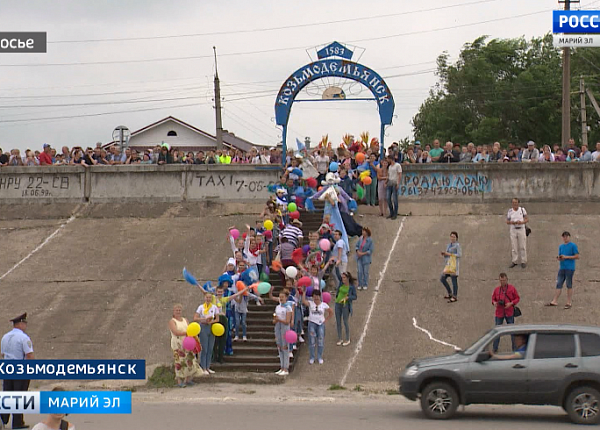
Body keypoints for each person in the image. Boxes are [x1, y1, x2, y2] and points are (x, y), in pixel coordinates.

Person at [1, 313, 34, 430]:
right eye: (24, 323)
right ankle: (17, 422)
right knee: (20, 395)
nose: (25, 325)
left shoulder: (5, 337)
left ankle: (2, 419)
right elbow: (29, 355)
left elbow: (2, 354)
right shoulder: (24, 338)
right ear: (20, 324)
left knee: (8, 394)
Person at [168, 304, 201, 387]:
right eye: (176, 310)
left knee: (190, 359)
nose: (178, 312)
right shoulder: (172, 321)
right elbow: (175, 332)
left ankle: (188, 379)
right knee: (179, 362)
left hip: (188, 342)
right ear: (173, 311)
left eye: (179, 310)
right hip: (178, 343)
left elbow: (190, 328)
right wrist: (187, 333)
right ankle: (179, 381)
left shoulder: (185, 320)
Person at [546, 231, 580, 309]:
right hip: (562, 267)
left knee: (569, 284)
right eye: (564, 237)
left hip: (570, 268)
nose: (565, 238)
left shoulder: (573, 246)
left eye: (566, 236)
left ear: (569, 237)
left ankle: (569, 302)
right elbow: (561, 256)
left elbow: (577, 256)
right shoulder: (561, 246)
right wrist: (560, 258)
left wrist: (566, 257)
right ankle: (554, 301)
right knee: (559, 284)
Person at [301, 289, 333, 365]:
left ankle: (319, 357)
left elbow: (331, 312)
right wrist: (304, 292)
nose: (316, 298)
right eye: (314, 296)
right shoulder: (310, 303)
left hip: (320, 324)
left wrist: (326, 319)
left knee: (320, 340)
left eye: (317, 296)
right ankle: (312, 357)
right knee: (312, 341)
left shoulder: (324, 305)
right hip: (312, 323)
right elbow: (303, 301)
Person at [491, 274, 520, 352]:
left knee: (512, 332)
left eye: (503, 280)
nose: (502, 282)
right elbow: (493, 299)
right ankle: (495, 348)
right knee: (497, 331)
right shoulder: (497, 290)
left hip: (509, 312)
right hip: (499, 313)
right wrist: (494, 303)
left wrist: (511, 303)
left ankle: (515, 348)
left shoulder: (511, 288)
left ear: (507, 280)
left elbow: (517, 298)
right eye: (501, 280)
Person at [193, 293, 220, 375]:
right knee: (204, 348)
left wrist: (211, 321)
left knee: (210, 348)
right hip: (203, 326)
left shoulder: (214, 307)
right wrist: (204, 319)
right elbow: (195, 318)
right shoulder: (201, 307)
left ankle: (208, 366)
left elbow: (217, 319)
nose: (208, 299)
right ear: (204, 298)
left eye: (209, 298)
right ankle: (203, 367)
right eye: (207, 297)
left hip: (211, 327)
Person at [334, 271, 357, 347]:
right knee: (338, 321)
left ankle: (347, 338)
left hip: (345, 305)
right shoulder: (341, 283)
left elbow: (355, 296)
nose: (342, 279)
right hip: (338, 304)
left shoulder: (351, 287)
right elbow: (337, 274)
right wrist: (336, 266)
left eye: (344, 277)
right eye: (342, 277)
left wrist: (348, 297)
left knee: (345, 321)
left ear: (348, 278)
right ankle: (340, 338)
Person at [273, 290, 293, 376]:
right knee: (279, 346)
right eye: (280, 297)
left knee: (285, 347)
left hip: (284, 327)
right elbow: (274, 318)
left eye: (282, 297)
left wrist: (279, 319)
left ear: (286, 297)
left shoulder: (288, 307)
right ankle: (281, 367)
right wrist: (275, 320)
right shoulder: (278, 307)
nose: (281, 298)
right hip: (277, 326)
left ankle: (286, 367)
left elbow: (287, 321)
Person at [440, 231, 462, 303]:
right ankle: (450, 293)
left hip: (453, 266)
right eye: (451, 236)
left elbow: (459, 255)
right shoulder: (449, 245)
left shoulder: (457, 245)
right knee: (442, 278)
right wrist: (444, 254)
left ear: (456, 238)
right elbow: (447, 254)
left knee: (454, 280)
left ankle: (454, 296)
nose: (452, 238)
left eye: (454, 237)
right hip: (448, 265)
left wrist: (449, 254)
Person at [506, 198, 529, 268]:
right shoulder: (510, 211)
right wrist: (512, 222)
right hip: (513, 229)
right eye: (513, 202)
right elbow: (507, 221)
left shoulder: (522, 210)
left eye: (516, 202)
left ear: (518, 203)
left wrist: (521, 222)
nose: (514, 204)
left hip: (521, 229)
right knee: (514, 246)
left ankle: (523, 261)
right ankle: (514, 261)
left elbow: (527, 219)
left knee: (522, 246)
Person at [386, 155, 402, 220]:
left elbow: (399, 174)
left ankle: (395, 213)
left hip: (395, 182)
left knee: (395, 199)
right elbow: (389, 175)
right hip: (390, 182)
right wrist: (386, 182)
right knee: (388, 198)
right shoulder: (389, 167)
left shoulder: (397, 165)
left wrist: (398, 183)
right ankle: (391, 212)